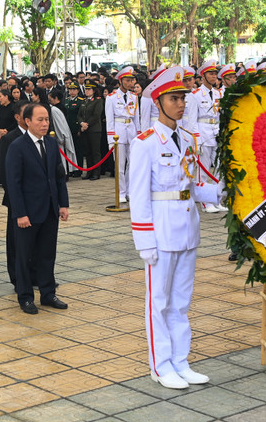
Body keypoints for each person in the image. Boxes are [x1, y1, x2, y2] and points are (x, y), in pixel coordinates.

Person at [130, 66, 223, 389]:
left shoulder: (187, 139)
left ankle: (181, 361)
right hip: (160, 232)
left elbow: (192, 187)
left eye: (183, 98)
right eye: (174, 99)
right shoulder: (145, 143)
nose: (181, 104)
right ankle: (161, 365)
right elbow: (138, 195)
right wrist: (144, 240)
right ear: (158, 103)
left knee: (181, 302)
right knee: (159, 303)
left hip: (187, 229)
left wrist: (223, 191)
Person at [5, 103, 70, 314]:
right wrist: (20, 213)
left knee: (47, 254)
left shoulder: (50, 143)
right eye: (40, 120)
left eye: (47, 119)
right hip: (28, 212)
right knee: (24, 256)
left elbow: (58, 176)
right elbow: (13, 184)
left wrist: (63, 204)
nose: (45, 123)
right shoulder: (17, 146)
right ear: (28, 121)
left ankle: (48, 293)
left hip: (49, 210)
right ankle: (25, 297)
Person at [186, 59, 225, 213]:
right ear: (203, 76)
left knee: (219, 168)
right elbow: (192, 120)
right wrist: (196, 140)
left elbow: (219, 115)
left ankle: (216, 198)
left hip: (216, 132)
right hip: (203, 133)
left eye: (215, 73)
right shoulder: (195, 95)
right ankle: (205, 201)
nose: (214, 76)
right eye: (211, 73)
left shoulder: (217, 93)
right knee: (204, 169)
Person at [0, 99, 29, 286]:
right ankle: (17, 277)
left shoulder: (40, 137)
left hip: (37, 199)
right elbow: (5, 172)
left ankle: (35, 274)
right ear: (18, 117)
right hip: (17, 199)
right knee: (16, 240)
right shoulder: (10, 139)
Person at [105, 67, 140, 203]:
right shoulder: (112, 98)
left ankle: (130, 191)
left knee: (133, 164)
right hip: (118, 133)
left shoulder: (134, 97)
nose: (130, 83)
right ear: (120, 81)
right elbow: (109, 120)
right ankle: (121, 192)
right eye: (127, 80)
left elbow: (136, 118)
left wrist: (138, 135)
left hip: (131, 131)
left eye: (131, 80)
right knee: (119, 166)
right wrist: (110, 139)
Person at [78, 83, 104, 180]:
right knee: (87, 151)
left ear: (93, 90)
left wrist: (87, 124)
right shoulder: (84, 101)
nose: (87, 91)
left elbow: (96, 115)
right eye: (86, 89)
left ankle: (96, 172)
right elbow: (79, 115)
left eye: (89, 89)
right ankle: (89, 171)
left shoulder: (98, 100)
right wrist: (82, 123)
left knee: (95, 152)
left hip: (94, 129)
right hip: (84, 129)